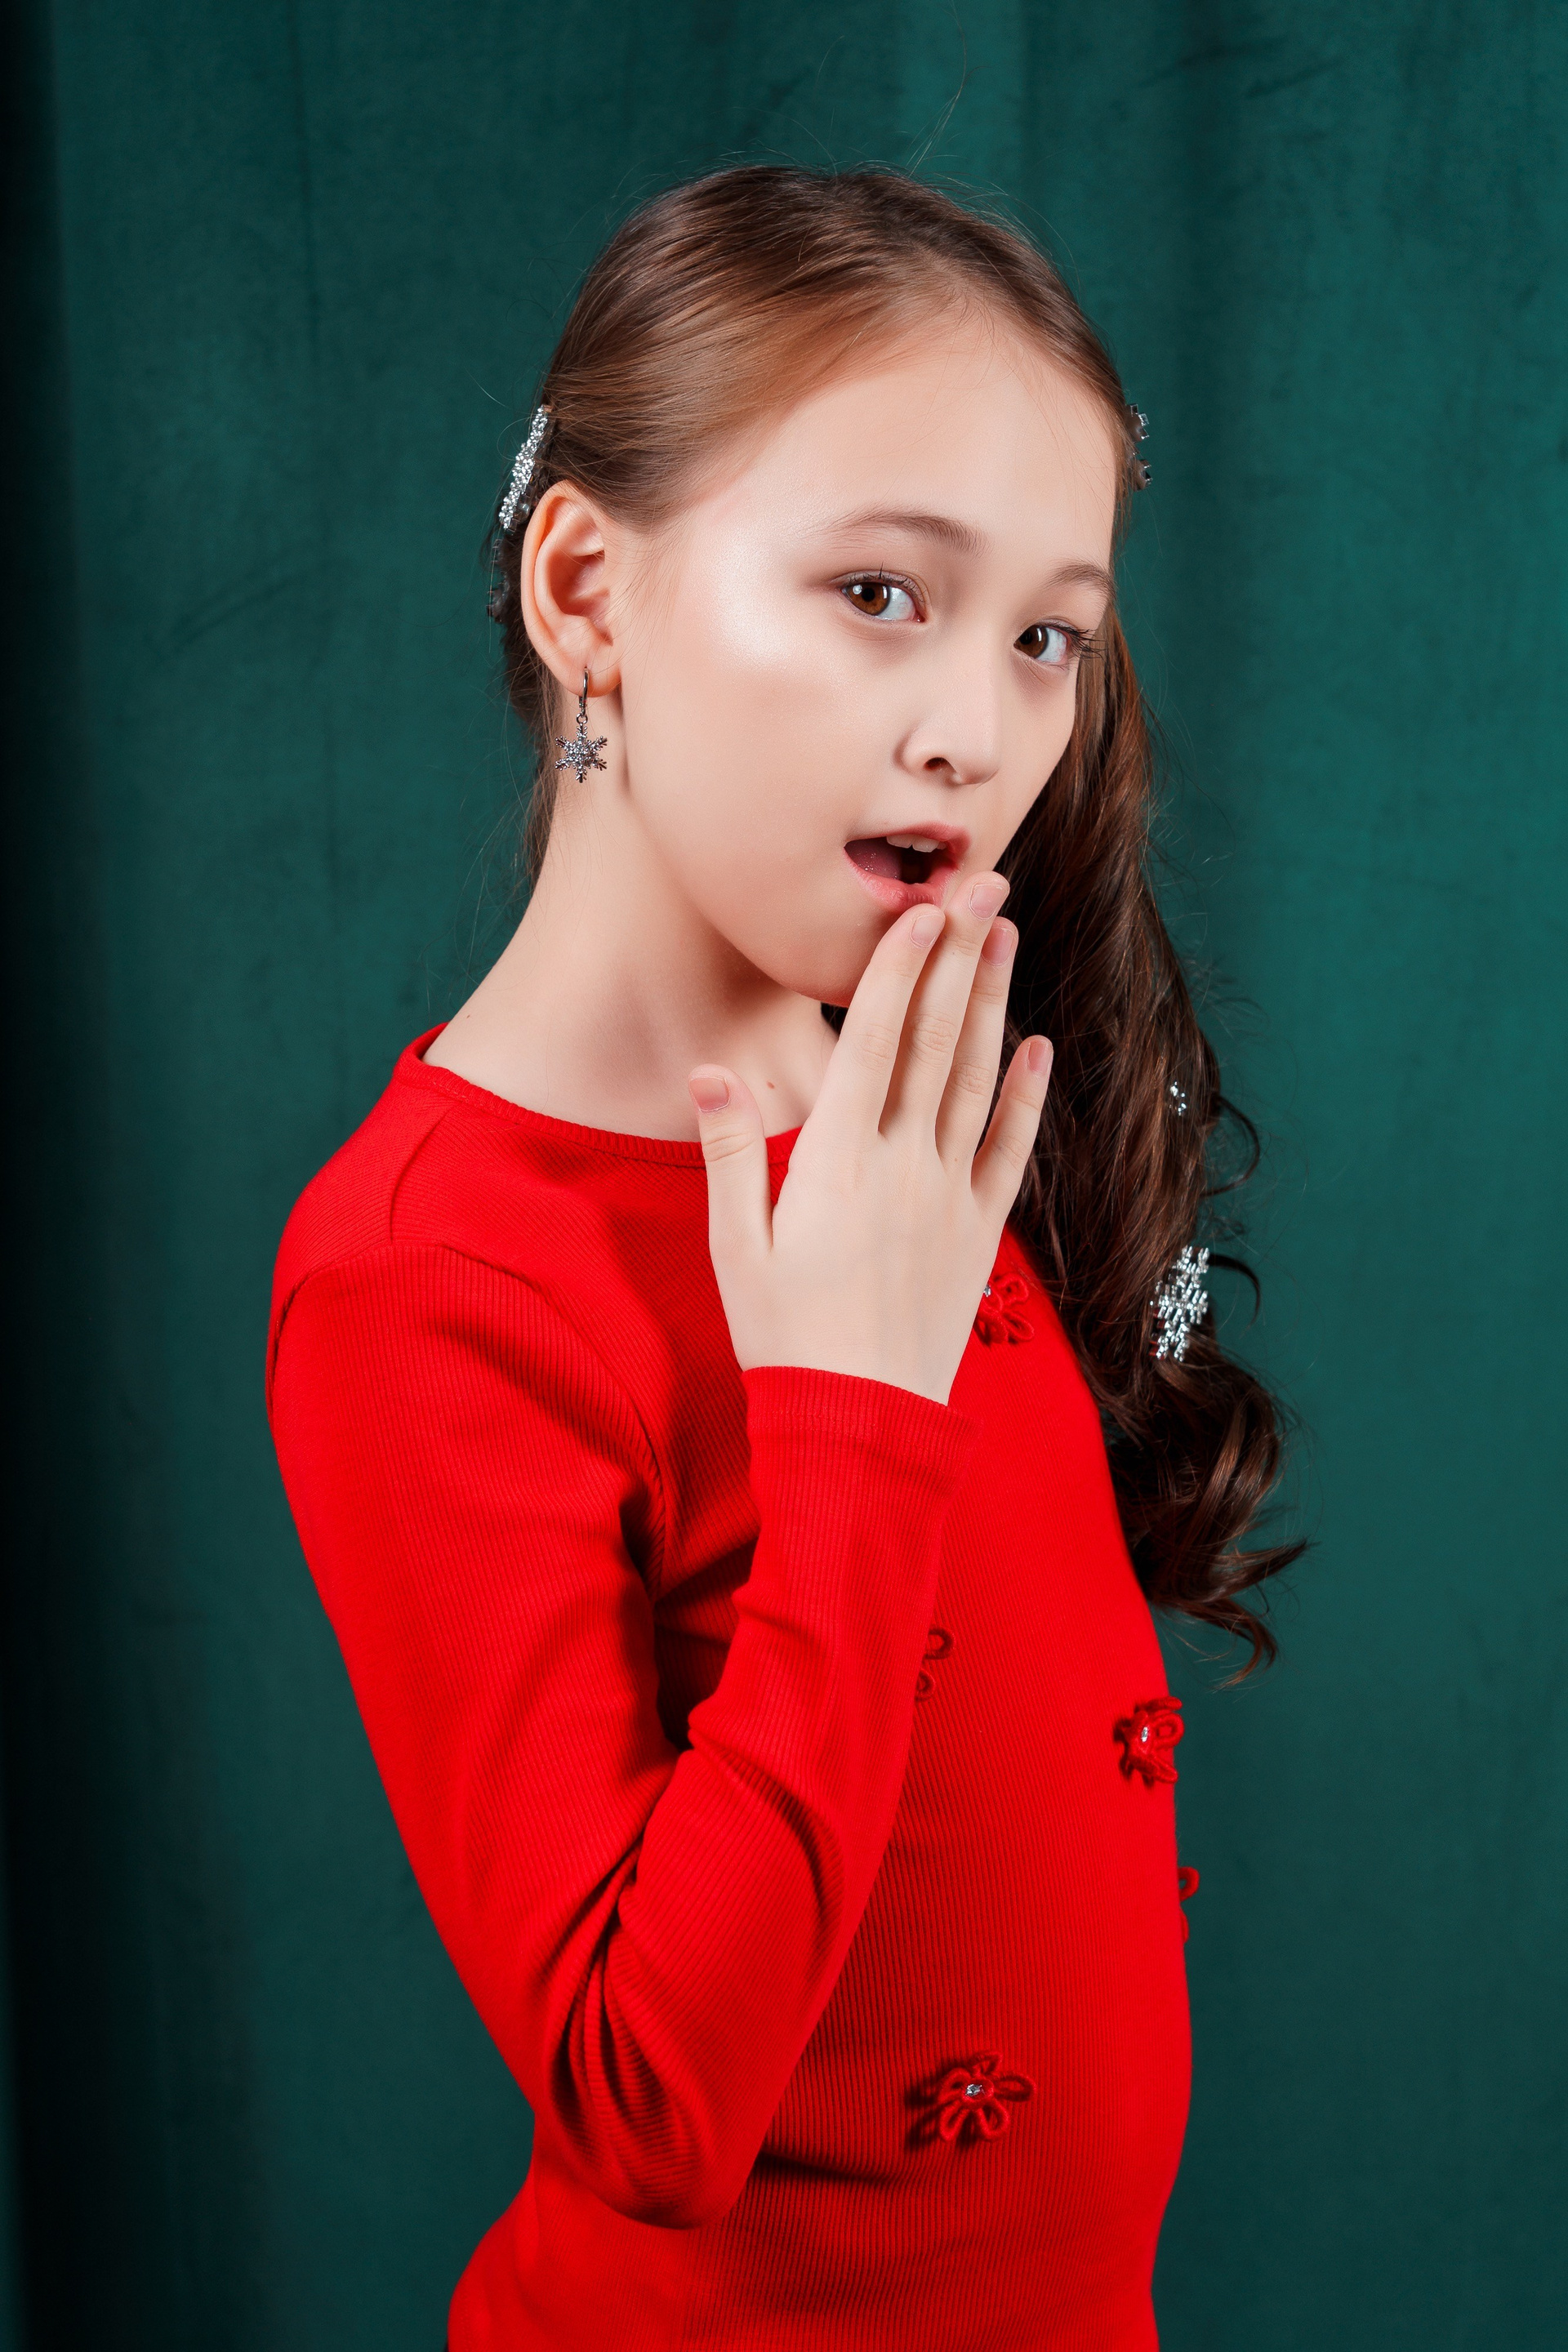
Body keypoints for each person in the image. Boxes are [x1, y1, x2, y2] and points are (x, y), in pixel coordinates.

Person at [266, 165, 1297, 2351]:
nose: (975, 732)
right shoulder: (430, 1272)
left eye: (1044, 637)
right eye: (878, 592)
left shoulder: (925, 1091)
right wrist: (847, 1411)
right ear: (587, 588)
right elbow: (644, 2099)